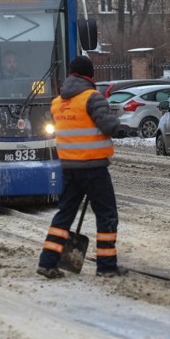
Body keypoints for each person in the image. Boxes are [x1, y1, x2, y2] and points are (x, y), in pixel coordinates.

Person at [38, 56, 127, 278]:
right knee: (106, 214)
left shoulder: (58, 102)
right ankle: (107, 267)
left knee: (64, 214)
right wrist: (118, 125)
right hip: (94, 168)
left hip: (69, 168)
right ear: (90, 75)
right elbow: (108, 126)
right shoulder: (92, 98)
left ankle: (47, 262)